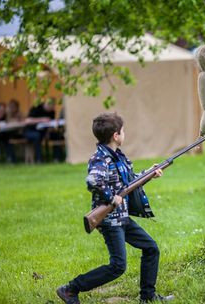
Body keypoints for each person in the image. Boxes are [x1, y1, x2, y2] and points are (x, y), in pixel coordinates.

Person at [56, 112, 174, 304]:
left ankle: (148, 296)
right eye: (123, 131)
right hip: (110, 220)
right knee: (118, 266)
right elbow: (93, 181)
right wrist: (112, 198)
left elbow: (129, 182)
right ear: (116, 136)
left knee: (151, 248)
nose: (124, 133)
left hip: (122, 217)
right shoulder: (101, 159)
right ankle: (70, 289)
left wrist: (149, 173)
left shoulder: (117, 156)